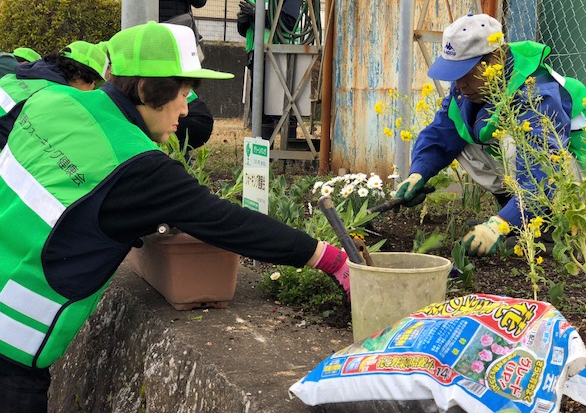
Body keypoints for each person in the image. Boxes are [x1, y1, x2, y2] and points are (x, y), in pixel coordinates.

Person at [0, 21, 351, 412]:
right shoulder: (138, 165)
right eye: (183, 93)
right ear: (149, 90)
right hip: (12, 349)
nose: (186, 109)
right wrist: (329, 258)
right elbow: (227, 222)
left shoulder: (53, 102)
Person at [395, 13, 586, 256]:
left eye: (467, 72)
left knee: (511, 141)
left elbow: (543, 170)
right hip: (545, 176)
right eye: (454, 73)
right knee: (464, 138)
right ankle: (518, 221)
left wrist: (498, 225)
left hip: (582, 185)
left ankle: (550, 228)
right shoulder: (468, 90)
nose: (460, 83)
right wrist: (418, 173)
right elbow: (442, 132)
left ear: (499, 57)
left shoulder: (536, 91)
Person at [237, 0, 302, 141]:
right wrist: (243, 19)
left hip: (279, 53)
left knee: (281, 104)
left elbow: (289, 21)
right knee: (261, 105)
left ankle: (288, 150)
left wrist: (257, 13)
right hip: (257, 54)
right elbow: (245, 30)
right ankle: (263, 151)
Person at [0, 41, 108, 144]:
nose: (93, 89)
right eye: (95, 82)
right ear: (79, 75)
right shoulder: (52, 98)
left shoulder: (16, 77)